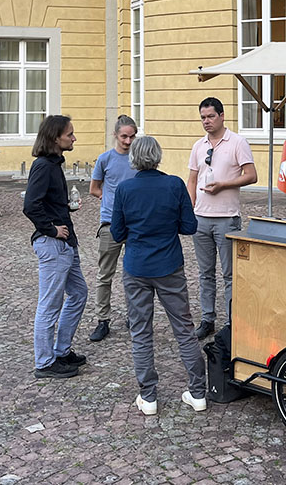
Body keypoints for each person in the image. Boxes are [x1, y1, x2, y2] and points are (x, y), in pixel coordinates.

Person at [110, 135, 206, 416]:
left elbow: (116, 233)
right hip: (169, 265)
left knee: (140, 332)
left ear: (134, 158)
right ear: (158, 156)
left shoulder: (125, 189)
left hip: (137, 266)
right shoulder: (174, 184)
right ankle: (198, 392)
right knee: (185, 329)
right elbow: (189, 226)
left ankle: (148, 396)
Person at [186, 97, 257, 340]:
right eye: (203, 117)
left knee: (230, 274)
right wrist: (190, 209)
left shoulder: (237, 142)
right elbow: (192, 179)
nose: (206, 121)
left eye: (210, 116)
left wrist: (224, 185)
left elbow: (251, 175)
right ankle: (207, 319)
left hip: (227, 217)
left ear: (222, 115)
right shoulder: (199, 145)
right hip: (201, 218)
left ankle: (231, 322)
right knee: (205, 273)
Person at [23, 115, 88, 379]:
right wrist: (51, 228)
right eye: (69, 134)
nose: (73, 138)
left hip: (65, 244)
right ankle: (45, 361)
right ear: (54, 138)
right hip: (53, 244)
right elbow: (30, 206)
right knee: (50, 304)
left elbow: (46, 202)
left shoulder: (53, 165)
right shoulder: (43, 166)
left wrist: (65, 208)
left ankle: (61, 350)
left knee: (79, 293)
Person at [87, 115, 138, 343]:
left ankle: (133, 316)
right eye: (124, 136)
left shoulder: (139, 159)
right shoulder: (105, 159)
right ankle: (102, 319)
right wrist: (111, 204)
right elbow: (94, 189)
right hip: (110, 224)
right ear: (115, 135)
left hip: (136, 224)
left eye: (132, 136)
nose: (128, 141)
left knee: (134, 274)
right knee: (105, 274)